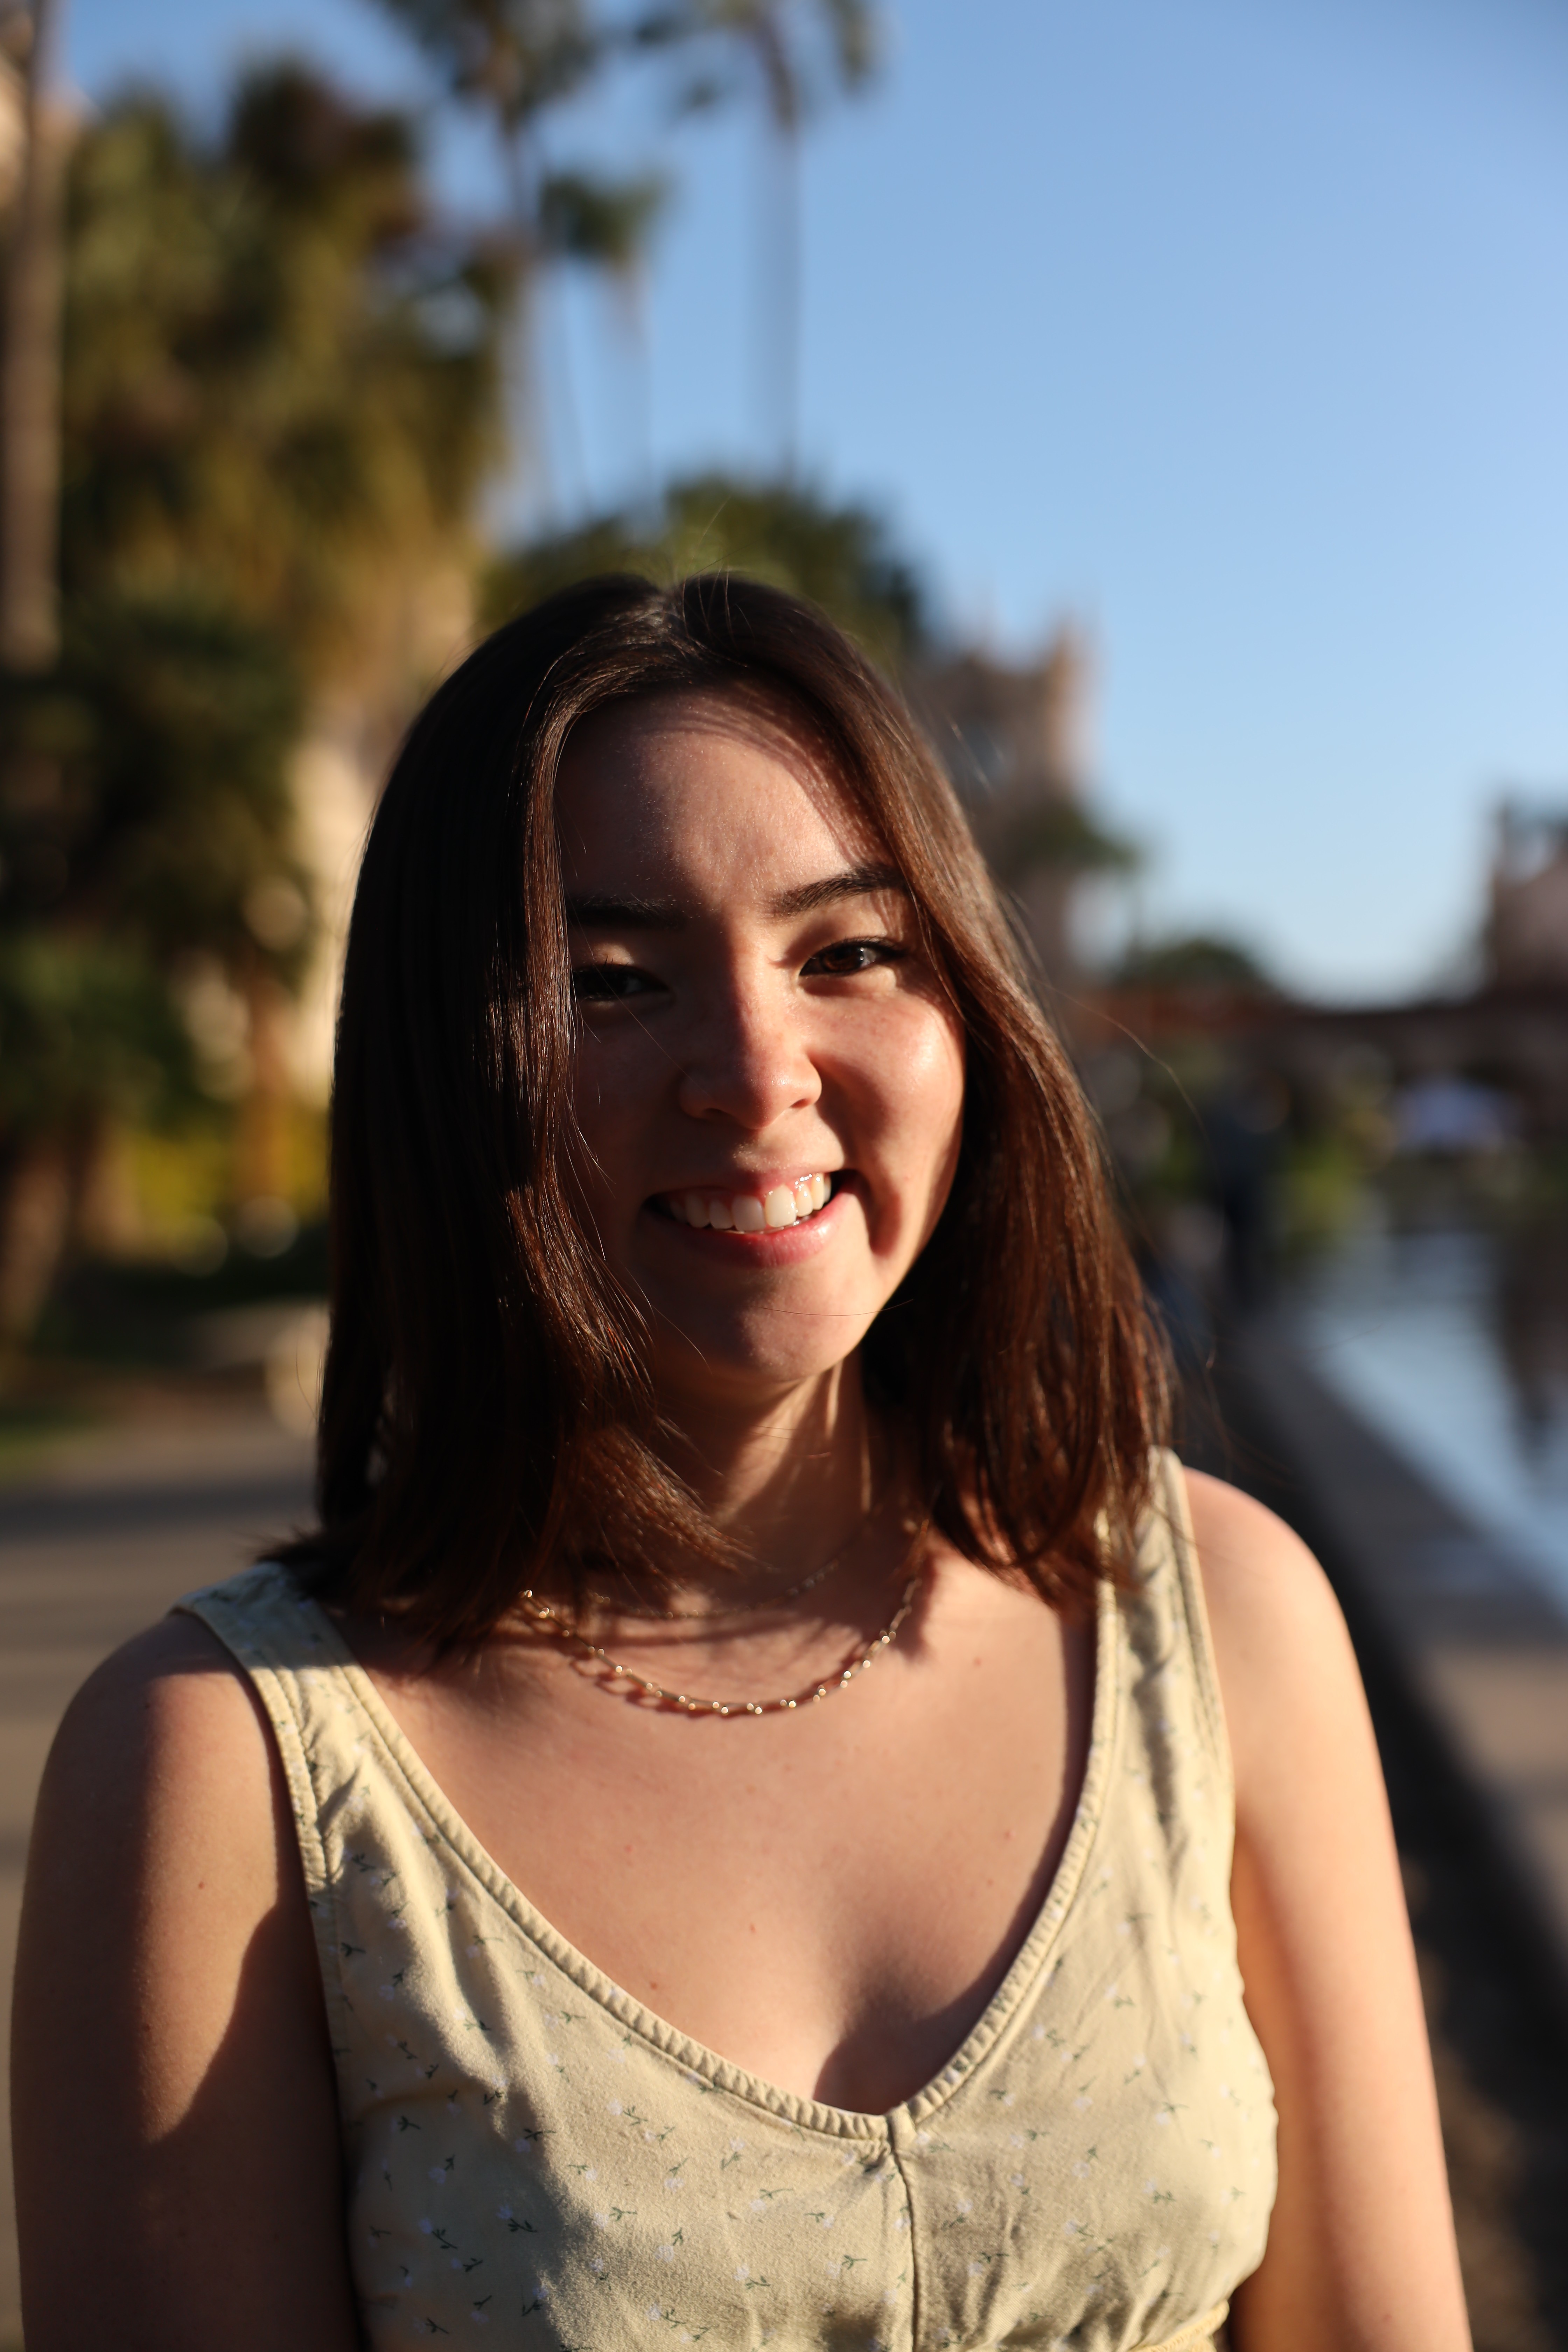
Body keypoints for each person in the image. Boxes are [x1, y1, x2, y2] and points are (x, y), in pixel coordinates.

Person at [13, 576, 1469, 2352]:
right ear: (443, 1059)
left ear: (968, 1008)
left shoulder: (1215, 1617)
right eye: (614, 983)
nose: (758, 1075)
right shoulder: (224, 1771)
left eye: (847, 954)